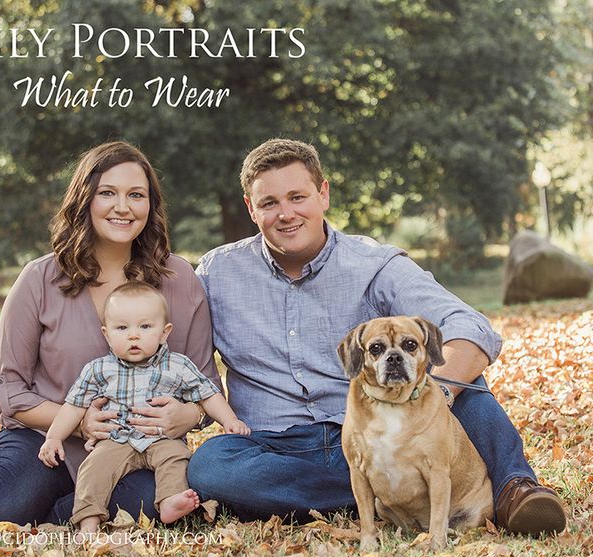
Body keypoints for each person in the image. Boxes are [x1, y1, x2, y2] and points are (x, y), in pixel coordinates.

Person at [188, 138, 566, 535]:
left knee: (461, 379)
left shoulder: (374, 264)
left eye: (298, 197)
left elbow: (468, 326)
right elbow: (183, 361)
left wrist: (437, 394)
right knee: (211, 465)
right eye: (269, 203)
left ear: (324, 194)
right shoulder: (218, 274)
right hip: (275, 450)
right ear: (251, 208)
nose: (286, 214)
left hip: (386, 429)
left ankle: (514, 489)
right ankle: (381, 493)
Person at [0, 141, 219, 525]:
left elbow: (204, 384)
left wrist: (187, 415)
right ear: (85, 200)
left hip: (139, 449)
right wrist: (78, 422)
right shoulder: (40, 279)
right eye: (107, 193)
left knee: (153, 509)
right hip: (45, 438)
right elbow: (6, 390)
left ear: (151, 204)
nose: (123, 207)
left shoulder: (180, 279)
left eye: (136, 195)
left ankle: (52, 509)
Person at [38, 281, 249, 534]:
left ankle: (171, 500)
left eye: (145, 326)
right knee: (94, 469)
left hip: (162, 438)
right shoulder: (99, 369)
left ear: (164, 332)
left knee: (176, 458)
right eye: (122, 328)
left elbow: (208, 395)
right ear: (107, 334)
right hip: (116, 440)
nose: (133, 335)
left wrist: (229, 420)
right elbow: (73, 406)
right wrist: (53, 437)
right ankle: (88, 520)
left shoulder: (178, 366)